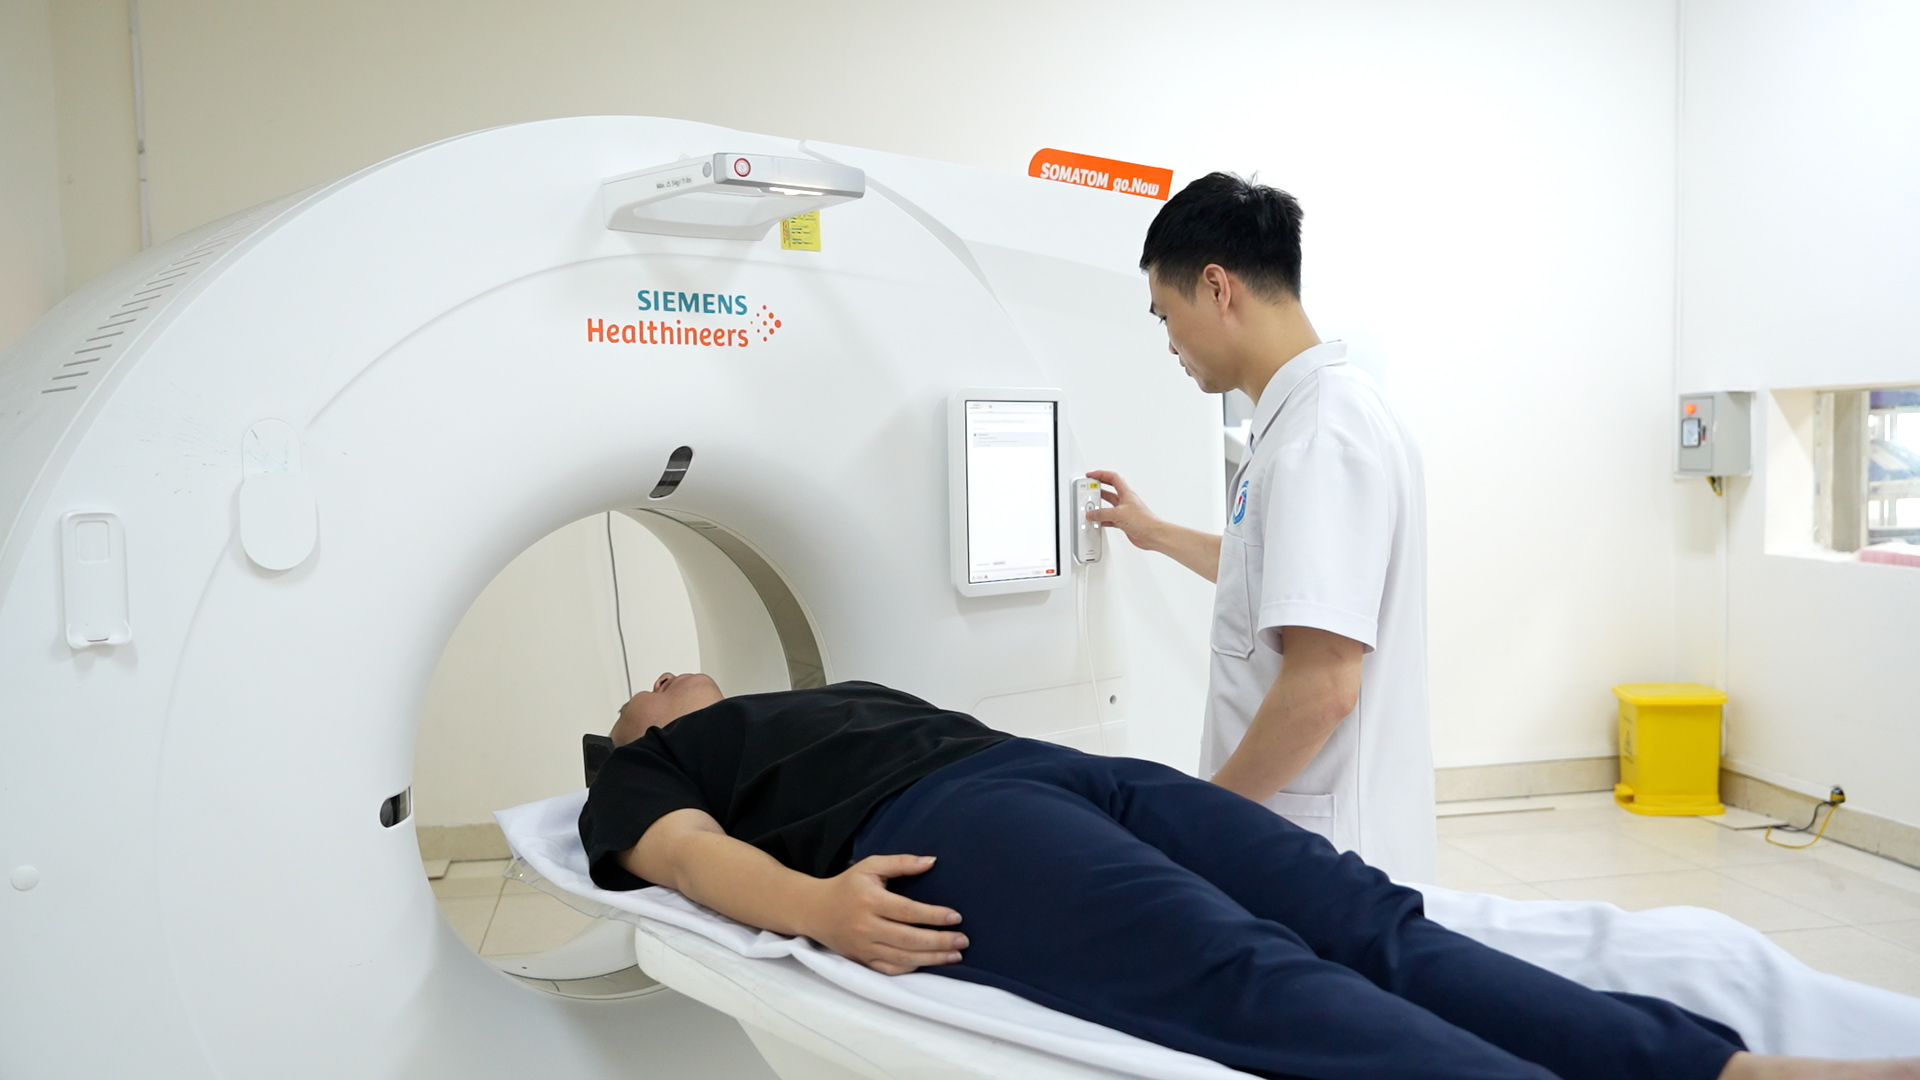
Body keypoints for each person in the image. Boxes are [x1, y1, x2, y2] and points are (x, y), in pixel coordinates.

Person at [579, 673, 1918, 1080]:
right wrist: (819, 910)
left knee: (1370, 922)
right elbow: (684, 857)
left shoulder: (816, 693)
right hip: (947, 826)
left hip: (1071, 770)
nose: (666, 676)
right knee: (1244, 973)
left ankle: (1727, 1072)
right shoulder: (650, 769)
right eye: (643, 692)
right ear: (637, 736)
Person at [1087, 173, 1434, 881]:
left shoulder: (1319, 438)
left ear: (1216, 287)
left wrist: (1201, 819)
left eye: (1165, 315)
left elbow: (1322, 689)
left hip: (1321, 850)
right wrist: (1153, 531)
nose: (1170, 343)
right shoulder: (1325, 413)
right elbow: (1281, 577)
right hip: (1316, 836)